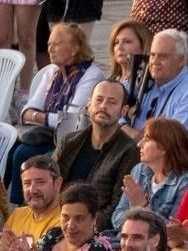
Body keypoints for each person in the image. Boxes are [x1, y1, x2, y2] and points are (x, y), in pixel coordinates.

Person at [7, 22, 104, 202]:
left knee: (22, 152)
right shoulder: (52, 72)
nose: (50, 49)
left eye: (57, 44)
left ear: (74, 48)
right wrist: (45, 117)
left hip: (74, 140)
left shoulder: (91, 75)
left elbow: (71, 121)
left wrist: (37, 117)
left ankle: (23, 205)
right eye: (49, 44)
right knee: (10, 145)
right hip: (46, 134)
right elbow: (26, 110)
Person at [54, 81, 142, 228]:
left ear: (123, 111)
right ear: (89, 104)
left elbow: (116, 206)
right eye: (99, 100)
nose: (103, 106)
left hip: (95, 231)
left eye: (112, 102)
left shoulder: (129, 151)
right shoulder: (70, 141)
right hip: (58, 220)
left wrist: (82, 226)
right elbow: (51, 186)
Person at [129, 29, 188, 153]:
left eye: (162, 56)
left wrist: (127, 131)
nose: (154, 62)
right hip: (139, 159)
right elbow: (110, 98)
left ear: (180, 61)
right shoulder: (147, 81)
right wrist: (123, 126)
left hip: (175, 167)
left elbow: (173, 141)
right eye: (152, 55)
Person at [0, 156, 63, 251]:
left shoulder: (63, 222)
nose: (33, 190)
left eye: (40, 182)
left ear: (57, 184)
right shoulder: (18, 214)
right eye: (27, 183)